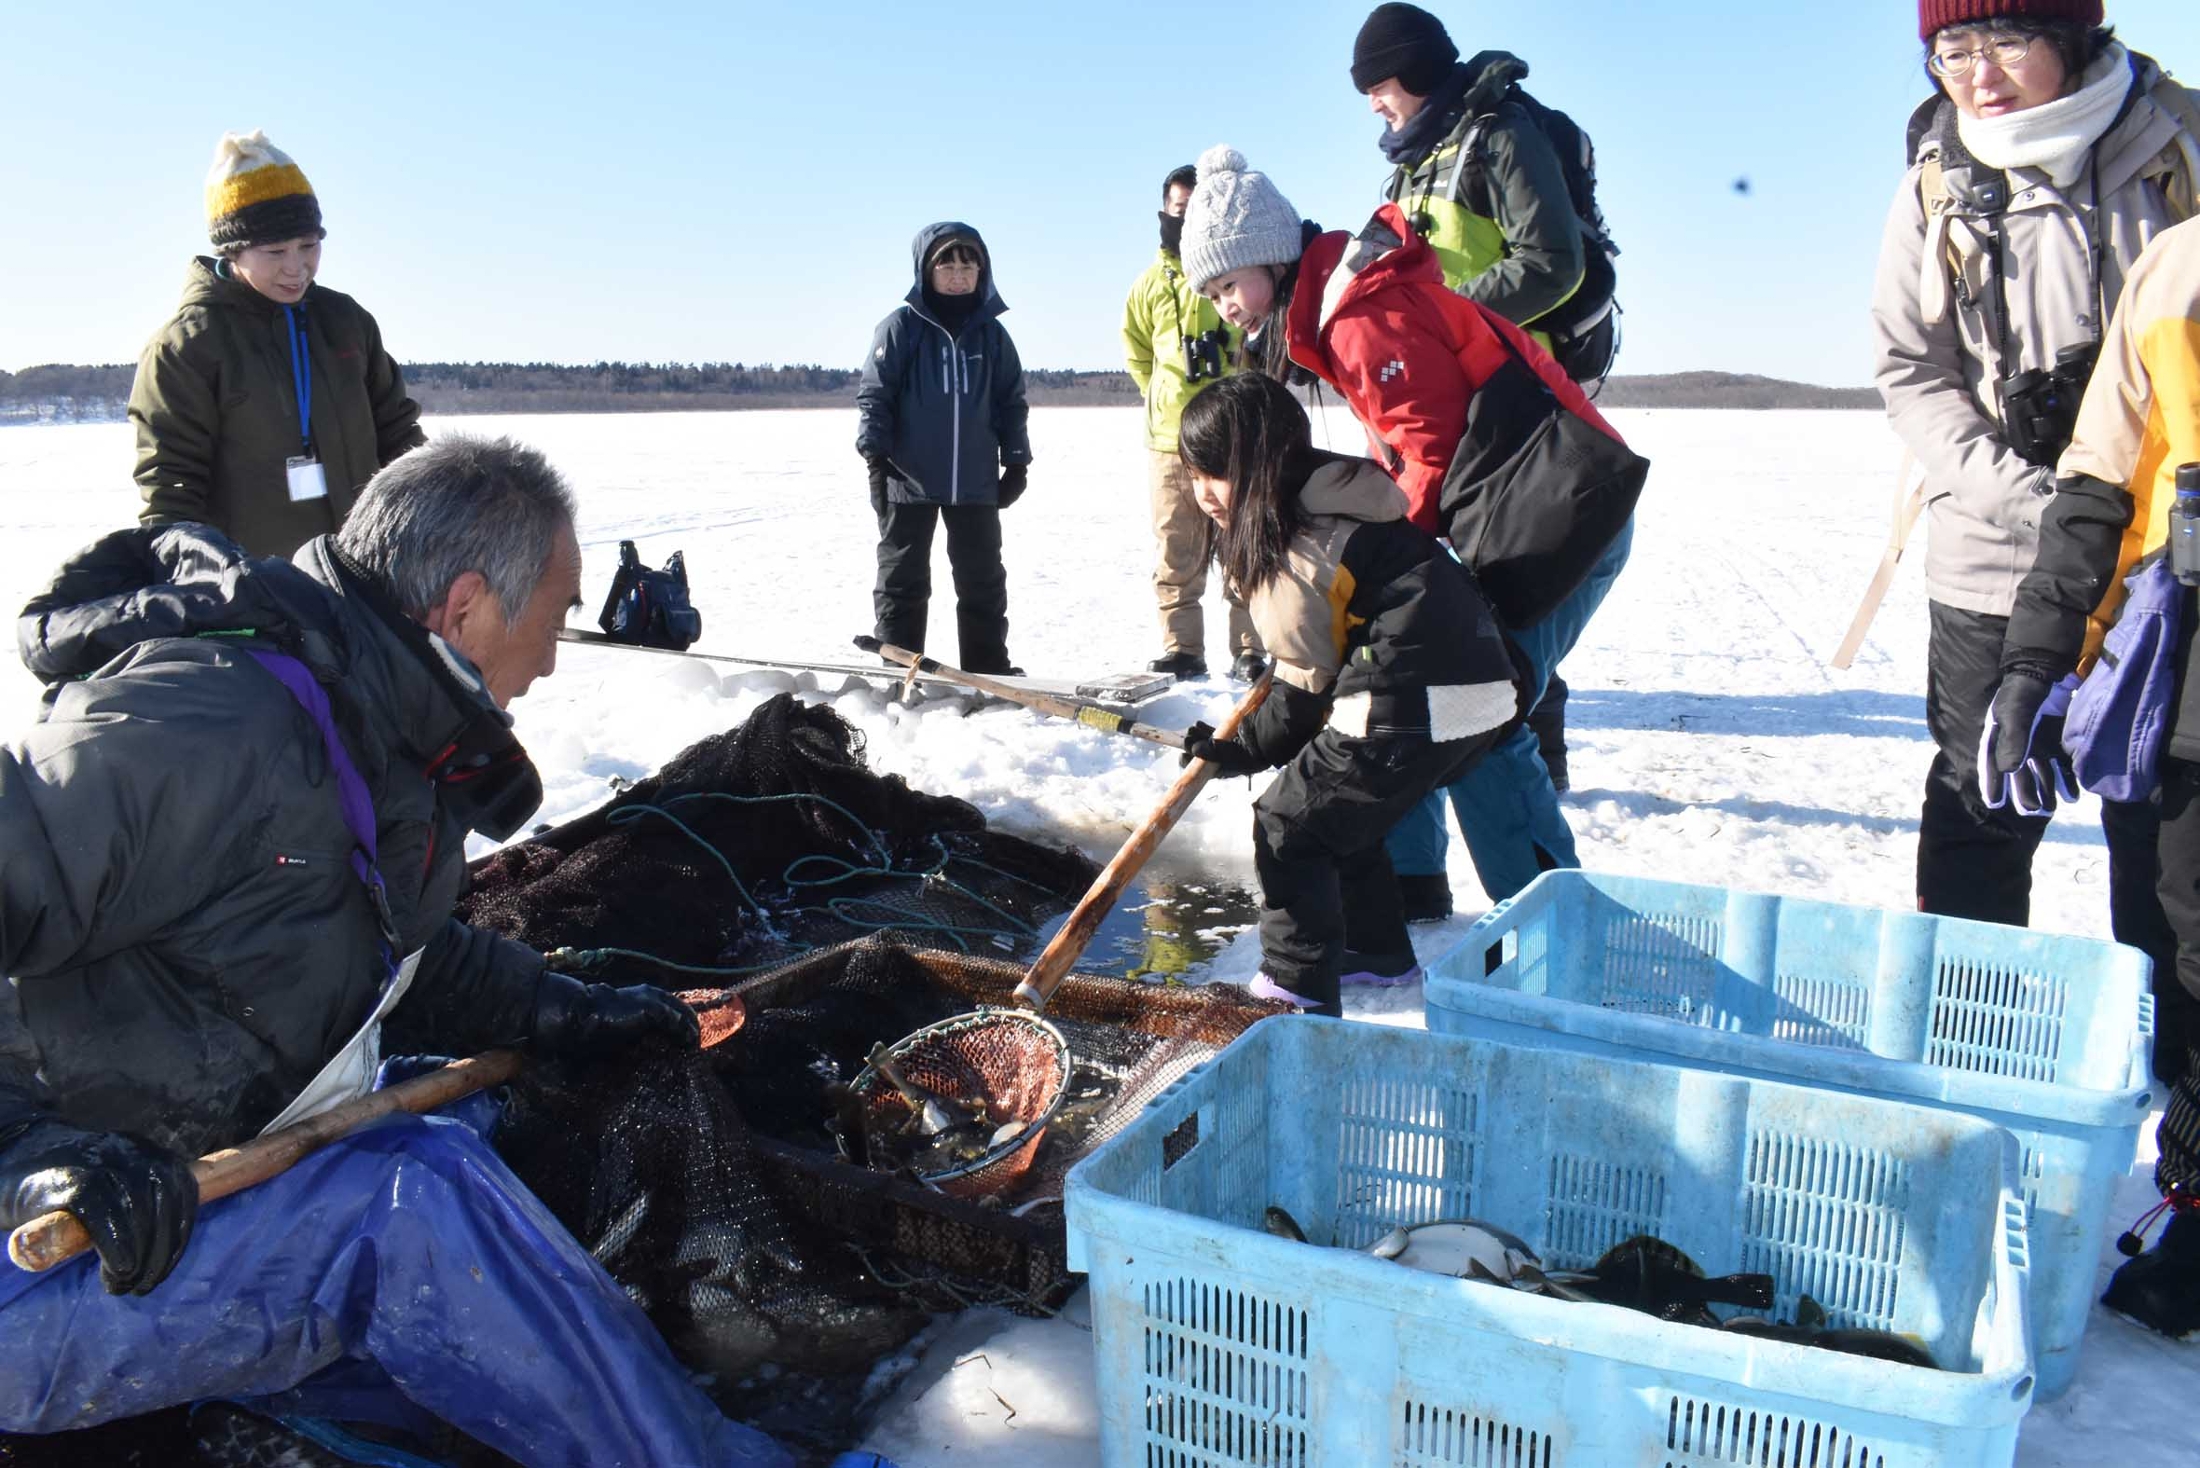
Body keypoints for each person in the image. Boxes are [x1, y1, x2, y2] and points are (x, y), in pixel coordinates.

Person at [0, 436, 792, 1466]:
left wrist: (559, 1009)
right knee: (408, 1192)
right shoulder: (208, 718)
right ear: (464, 607)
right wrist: (28, 1155)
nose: (553, 657)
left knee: (466, 1114)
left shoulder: (378, 726)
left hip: (193, 1177)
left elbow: (388, 950)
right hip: (45, 1259)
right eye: (553, 617)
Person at [1180, 144, 1638, 949]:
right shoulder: (1336, 311)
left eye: (1228, 284)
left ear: (1271, 258)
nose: (1225, 307)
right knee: (1411, 673)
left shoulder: (1358, 317)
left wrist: (1384, 575)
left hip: (1565, 515)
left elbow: (1428, 455)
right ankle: (1412, 883)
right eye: (1211, 294)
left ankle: (1555, 929)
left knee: (1480, 704)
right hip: (1513, 515)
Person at [1871, 1, 2196, 970]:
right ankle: (1967, 1038)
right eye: (1951, 50)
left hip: (2164, 561)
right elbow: (1910, 371)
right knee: (1985, 800)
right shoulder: (1936, 177)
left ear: (2074, 37)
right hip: (1997, 551)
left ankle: (2161, 1055)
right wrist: (2029, 494)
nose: (1978, 74)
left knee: (2160, 817)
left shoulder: (2177, 141)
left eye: (2007, 41)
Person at [1988, 214, 2200, 1336]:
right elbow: (2099, 484)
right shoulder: (2175, 266)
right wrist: (2038, 657)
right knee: (2170, 939)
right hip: (2178, 653)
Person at [1174, 374, 1520, 1017]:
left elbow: (1306, 684)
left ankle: (1294, 986)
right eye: (1193, 474)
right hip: (1478, 696)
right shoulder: (1341, 505)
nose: (1203, 495)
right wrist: (1245, 745)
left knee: (1290, 824)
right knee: (1340, 817)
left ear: (1260, 466)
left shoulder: (1302, 546)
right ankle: (1373, 952)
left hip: (1413, 699)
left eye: (1215, 474)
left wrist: (1242, 750)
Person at [1353, 2, 1606, 806]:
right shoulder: (1414, 160)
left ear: (1417, 71)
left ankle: (1535, 761)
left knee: (1518, 588)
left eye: (1380, 85)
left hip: (1522, 404)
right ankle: (1486, 762)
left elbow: (1553, 263)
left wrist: (1444, 316)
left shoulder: (1500, 135)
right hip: (1455, 408)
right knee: (1473, 589)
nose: (1373, 105)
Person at [129, 130, 425, 559]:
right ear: (233, 252)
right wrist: (190, 577)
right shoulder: (186, 346)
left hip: (365, 568)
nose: (296, 268)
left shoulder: (345, 322)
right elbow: (169, 485)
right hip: (256, 586)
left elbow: (399, 438)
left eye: (309, 246)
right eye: (274, 252)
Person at [857, 223, 1032, 676]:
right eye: (947, 265)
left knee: (983, 583)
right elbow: (876, 395)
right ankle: (898, 668)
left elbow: (1011, 401)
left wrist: (1016, 461)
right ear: (926, 271)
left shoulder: (993, 336)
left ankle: (987, 670)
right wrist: (875, 457)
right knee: (902, 582)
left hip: (974, 483)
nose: (958, 275)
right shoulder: (901, 328)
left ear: (982, 271)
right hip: (907, 479)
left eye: (967, 265)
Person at [1123, 164, 1264, 684]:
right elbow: (1138, 352)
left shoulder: (1237, 274)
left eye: (1196, 211)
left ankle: (1249, 649)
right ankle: (1182, 649)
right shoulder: (1148, 286)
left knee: (1242, 547)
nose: (1186, 222)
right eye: (1179, 211)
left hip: (1234, 442)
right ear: (1166, 213)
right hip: (1170, 443)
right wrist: (1162, 397)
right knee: (1176, 552)